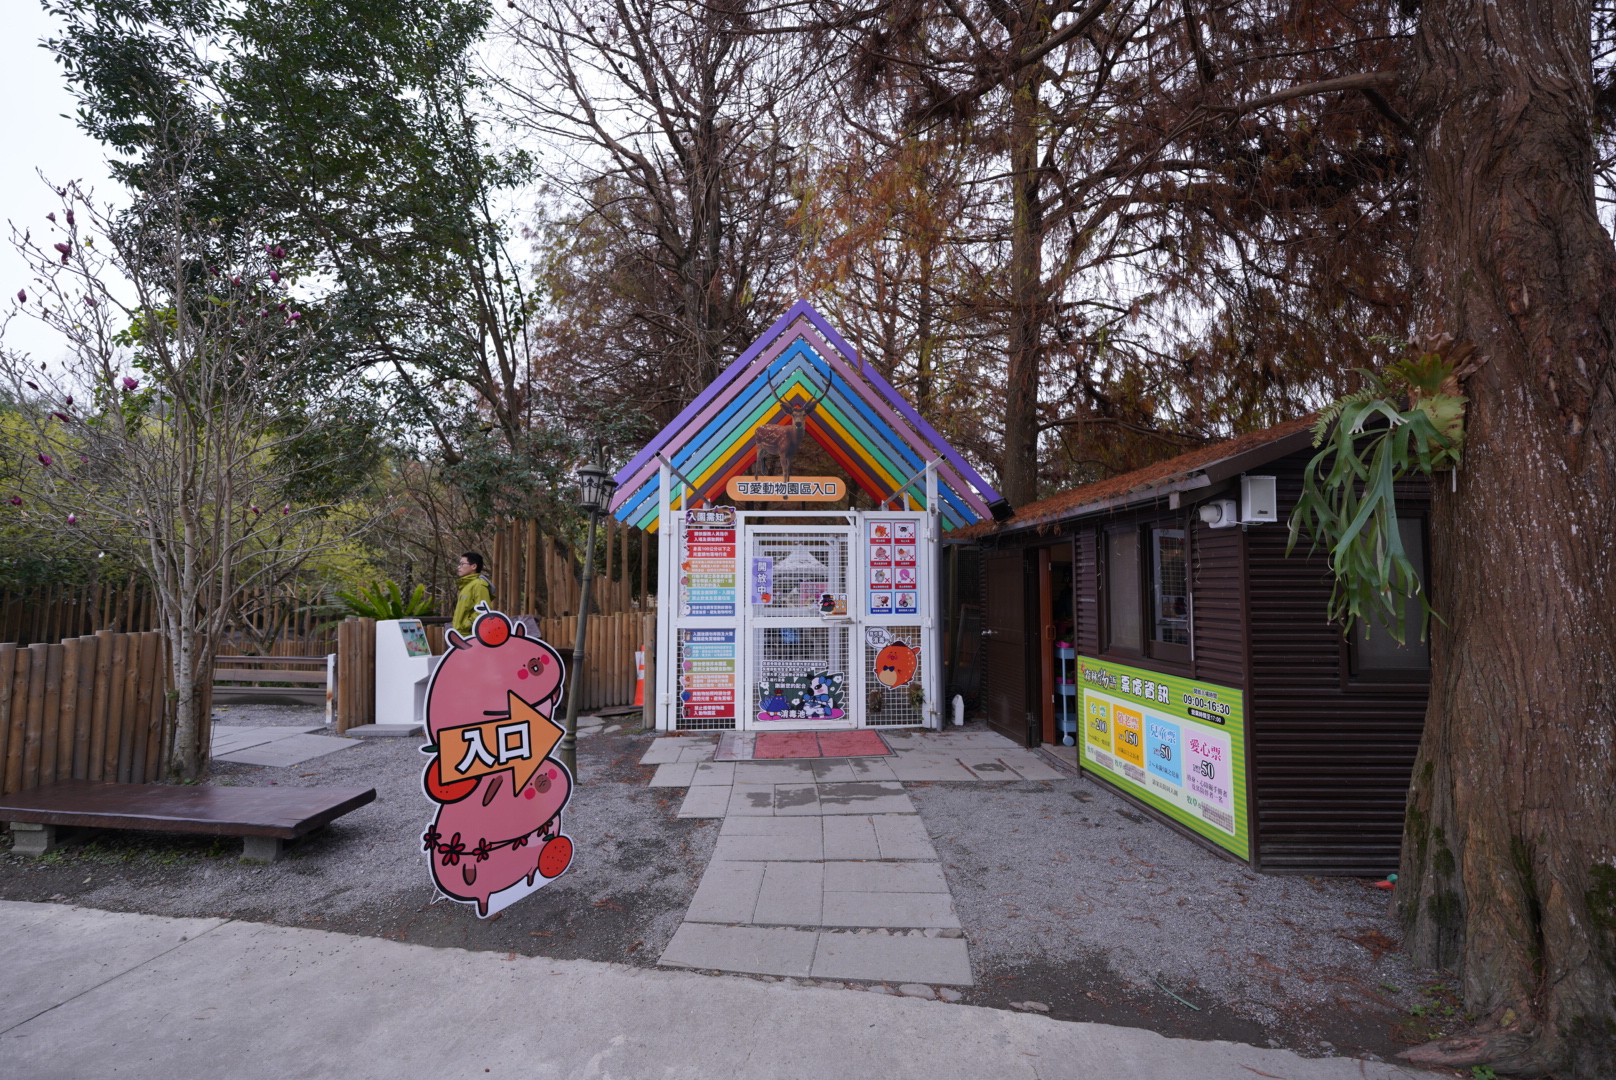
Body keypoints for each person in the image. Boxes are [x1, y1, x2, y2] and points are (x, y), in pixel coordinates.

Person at [453, 551, 493, 635]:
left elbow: (483, 609)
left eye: (462, 564)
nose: (458, 567)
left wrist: (467, 625)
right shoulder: (466, 585)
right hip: (461, 635)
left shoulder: (479, 584)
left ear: (473, 566)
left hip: (471, 636)